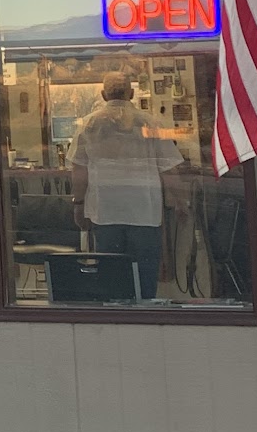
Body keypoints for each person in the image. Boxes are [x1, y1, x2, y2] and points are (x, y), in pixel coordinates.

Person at [69, 72, 183, 300]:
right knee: (145, 276)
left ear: (103, 94)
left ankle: (115, 318)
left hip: (105, 211)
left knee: (111, 276)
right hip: (145, 213)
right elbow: (169, 170)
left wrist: (78, 204)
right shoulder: (150, 123)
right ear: (131, 94)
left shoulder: (89, 124)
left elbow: (79, 171)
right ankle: (146, 318)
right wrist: (181, 201)